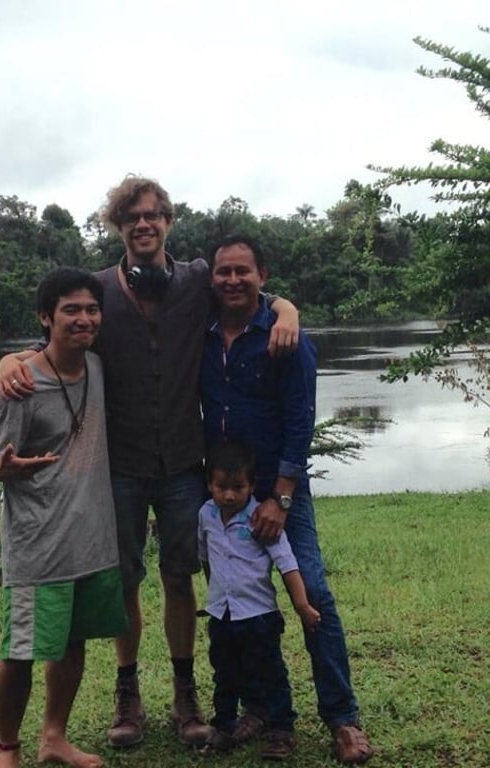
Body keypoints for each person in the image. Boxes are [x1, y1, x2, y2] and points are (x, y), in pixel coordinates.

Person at [0, 176, 300, 749]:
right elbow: (59, 335)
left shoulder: (193, 281)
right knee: (126, 581)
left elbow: (250, 292)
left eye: (155, 214)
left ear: (168, 222)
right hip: (121, 465)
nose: (144, 224)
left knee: (180, 576)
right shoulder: (100, 291)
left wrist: (287, 309)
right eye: (133, 216)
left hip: (186, 462)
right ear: (118, 225)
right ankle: (128, 693)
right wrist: (11, 357)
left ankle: (186, 694)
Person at [200, 234, 374, 764]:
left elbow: (301, 419)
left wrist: (279, 497)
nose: (233, 280)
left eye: (243, 271)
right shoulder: (201, 333)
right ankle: (257, 707)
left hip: (278, 490)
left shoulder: (284, 335)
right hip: (224, 498)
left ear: (263, 275)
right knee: (236, 607)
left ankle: (342, 718)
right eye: (223, 271)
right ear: (212, 278)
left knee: (312, 591)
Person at [0, 267, 126, 768]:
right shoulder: (21, 383)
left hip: (91, 539)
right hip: (38, 543)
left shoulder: (98, 368)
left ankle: (54, 738)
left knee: (73, 644)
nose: (84, 319)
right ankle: (8, 748)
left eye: (91, 309)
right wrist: (4, 468)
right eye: (70, 310)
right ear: (46, 317)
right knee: (20, 651)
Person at [198, 438, 320, 761]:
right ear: (209, 483)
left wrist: (302, 605)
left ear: (251, 486)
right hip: (222, 616)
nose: (228, 494)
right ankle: (223, 728)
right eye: (221, 486)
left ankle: (281, 728)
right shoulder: (206, 515)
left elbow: (287, 563)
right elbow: (206, 558)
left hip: (259, 616)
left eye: (238, 487)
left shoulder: (260, 519)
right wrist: (213, 598)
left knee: (270, 673)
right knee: (225, 673)